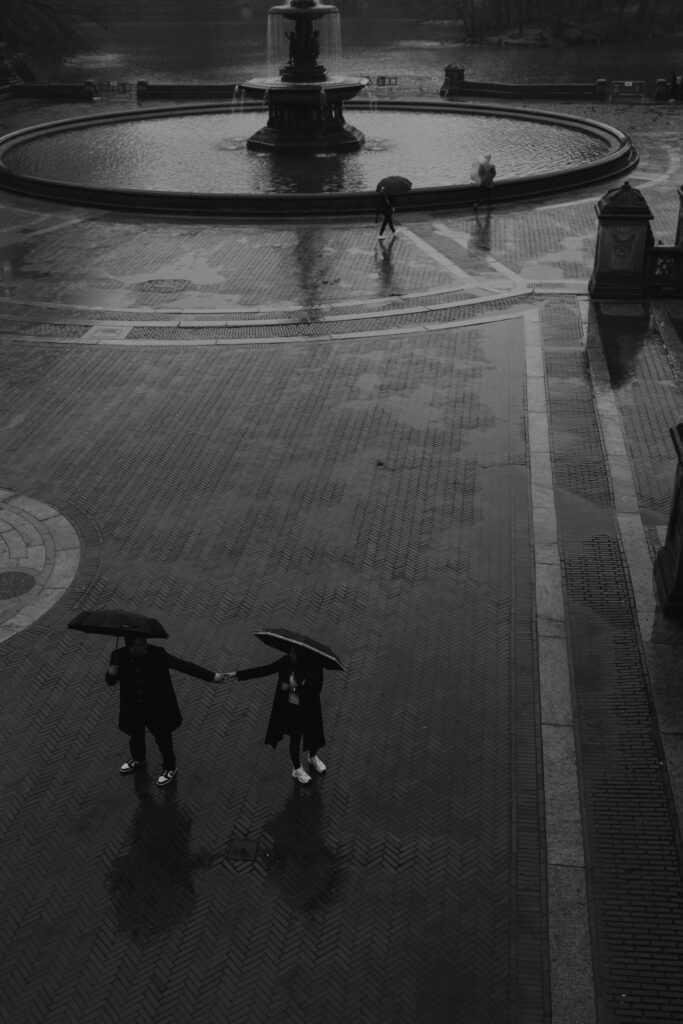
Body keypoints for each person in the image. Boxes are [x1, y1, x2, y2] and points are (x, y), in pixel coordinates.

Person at [106, 633, 227, 786]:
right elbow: (110, 681)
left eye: (145, 642)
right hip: (133, 707)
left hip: (156, 706)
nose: (145, 646)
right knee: (135, 735)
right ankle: (138, 759)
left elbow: (183, 665)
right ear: (130, 647)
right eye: (140, 644)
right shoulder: (118, 656)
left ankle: (170, 767)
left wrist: (211, 676)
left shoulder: (157, 654)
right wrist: (111, 673)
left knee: (163, 738)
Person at [227, 646, 327, 785]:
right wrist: (237, 674)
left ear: (299, 655)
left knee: (314, 734)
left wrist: (292, 688)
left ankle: (312, 757)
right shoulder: (286, 662)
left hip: (310, 707)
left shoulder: (314, 666)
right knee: (295, 738)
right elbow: (264, 670)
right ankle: (297, 768)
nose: (289, 654)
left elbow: (315, 689)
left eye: (292, 653)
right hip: (293, 708)